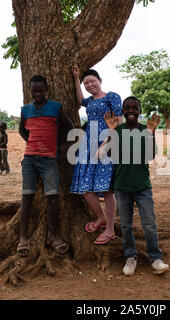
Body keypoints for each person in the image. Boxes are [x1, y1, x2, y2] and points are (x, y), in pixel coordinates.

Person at [100, 96, 169, 276]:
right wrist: (111, 131)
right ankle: (130, 257)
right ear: (122, 111)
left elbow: (150, 155)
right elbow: (106, 154)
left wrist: (151, 132)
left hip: (142, 187)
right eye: (127, 108)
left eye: (134, 108)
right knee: (125, 226)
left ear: (139, 110)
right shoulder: (119, 130)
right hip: (122, 187)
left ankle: (155, 258)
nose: (131, 111)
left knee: (149, 224)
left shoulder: (144, 130)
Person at [17, 75, 74, 256]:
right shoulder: (26, 110)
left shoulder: (55, 108)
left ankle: (53, 235)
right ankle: (23, 237)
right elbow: (21, 129)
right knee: (27, 197)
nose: (37, 94)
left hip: (49, 160)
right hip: (29, 160)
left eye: (40, 90)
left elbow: (69, 127)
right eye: (34, 91)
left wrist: (54, 143)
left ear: (46, 89)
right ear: (29, 91)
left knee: (53, 197)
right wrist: (31, 142)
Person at [70, 65, 123, 245]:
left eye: (92, 81)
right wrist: (77, 78)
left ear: (100, 81)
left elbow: (118, 122)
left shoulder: (112, 97)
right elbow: (80, 100)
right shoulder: (90, 101)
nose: (90, 85)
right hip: (88, 144)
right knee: (87, 190)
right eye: (86, 83)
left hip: (106, 143)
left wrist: (105, 144)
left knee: (107, 189)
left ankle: (110, 229)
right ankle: (100, 218)